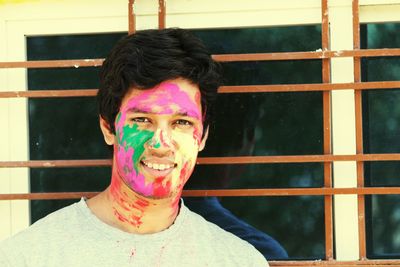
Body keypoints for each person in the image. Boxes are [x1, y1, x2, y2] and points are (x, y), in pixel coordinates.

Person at [0, 28, 268, 266]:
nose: (161, 144)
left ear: (203, 136)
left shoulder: (239, 260)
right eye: (142, 120)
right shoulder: (28, 256)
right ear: (108, 128)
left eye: (182, 122)